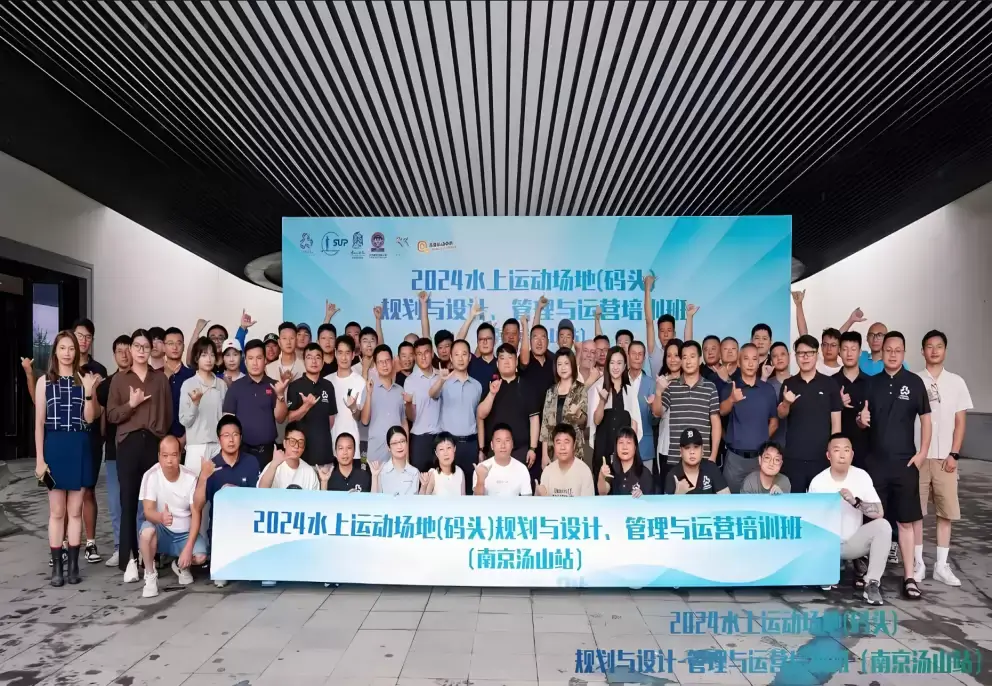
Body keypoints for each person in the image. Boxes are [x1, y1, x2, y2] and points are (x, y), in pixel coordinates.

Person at [859, 331, 931, 600]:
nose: (892, 354)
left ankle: (909, 576)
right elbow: (862, 420)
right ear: (882, 352)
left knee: (906, 521)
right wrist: (860, 421)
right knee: (874, 519)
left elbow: (926, 419)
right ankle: (872, 576)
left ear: (904, 353)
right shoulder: (871, 383)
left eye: (897, 350)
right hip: (876, 464)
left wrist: (922, 453)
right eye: (888, 349)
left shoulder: (914, 383)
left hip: (905, 463)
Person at [34, 331, 101, 585]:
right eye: (62, 348)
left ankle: (73, 567)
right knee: (57, 511)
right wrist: (40, 459)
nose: (67, 353)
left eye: (71, 348)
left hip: (79, 445)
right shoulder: (44, 382)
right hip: (54, 447)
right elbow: (39, 424)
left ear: (76, 351)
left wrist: (89, 392)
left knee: (75, 511)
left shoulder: (84, 379)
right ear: (55, 351)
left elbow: (90, 418)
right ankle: (57, 568)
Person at [107, 329, 173, 581]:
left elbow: (167, 414)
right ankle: (129, 560)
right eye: (137, 346)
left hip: (153, 442)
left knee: (153, 502)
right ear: (130, 349)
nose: (142, 350)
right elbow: (112, 415)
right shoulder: (119, 379)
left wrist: (159, 436)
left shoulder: (160, 379)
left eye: (146, 346)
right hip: (128, 443)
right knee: (128, 502)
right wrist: (131, 405)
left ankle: (152, 557)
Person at [914, 330, 972, 586]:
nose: (934, 350)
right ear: (922, 351)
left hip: (946, 458)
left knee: (945, 512)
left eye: (939, 346)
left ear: (945, 350)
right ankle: (917, 563)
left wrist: (954, 453)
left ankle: (941, 565)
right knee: (915, 512)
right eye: (929, 346)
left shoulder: (957, 382)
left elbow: (960, 422)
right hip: (919, 457)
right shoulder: (914, 381)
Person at [808, 434, 889, 605]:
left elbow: (879, 512)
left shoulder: (862, 476)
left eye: (846, 450)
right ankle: (826, 568)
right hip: (827, 545)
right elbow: (810, 520)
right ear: (828, 455)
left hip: (852, 542)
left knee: (883, 526)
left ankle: (872, 583)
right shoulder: (818, 482)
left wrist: (855, 502)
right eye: (837, 450)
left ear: (852, 455)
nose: (842, 455)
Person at [138, 436, 208, 598]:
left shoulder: (191, 478)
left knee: (201, 557)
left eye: (174, 455)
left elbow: (196, 514)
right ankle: (150, 575)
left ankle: (180, 565)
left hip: (184, 533)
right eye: (165, 455)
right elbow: (147, 511)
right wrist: (160, 518)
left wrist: (188, 548)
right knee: (146, 532)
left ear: (180, 455)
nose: (169, 460)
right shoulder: (151, 475)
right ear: (159, 456)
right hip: (161, 530)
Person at [195, 415, 260, 588]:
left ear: (241, 437)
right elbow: (198, 505)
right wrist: (203, 477)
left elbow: (258, 498)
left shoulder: (251, 462)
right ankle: (224, 565)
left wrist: (235, 493)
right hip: (221, 530)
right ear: (219, 440)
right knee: (222, 575)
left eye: (235, 435)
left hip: (246, 525)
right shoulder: (211, 466)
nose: (231, 440)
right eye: (226, 435)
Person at [776, 335, 842, 494]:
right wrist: (786, 403)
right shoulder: (788, 384)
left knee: (821, 504)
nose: (805, 357)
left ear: (816, 355)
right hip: (794, 457)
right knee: (795, 504)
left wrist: (834, 453)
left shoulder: (830, 384)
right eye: (800, 353)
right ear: (795, 356)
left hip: (821, 457)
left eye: (809, 353)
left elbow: (836, 424)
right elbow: (781, 415)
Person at [719, 343, 779, 492]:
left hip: (759, 459)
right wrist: (732, 399)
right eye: (746, 359)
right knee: (731, 501)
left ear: (759, 362)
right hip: (735, 459)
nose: (751, 363)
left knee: (759, 501)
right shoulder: (730, 388)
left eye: (754, 359)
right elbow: (720, 412)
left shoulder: (768, 390)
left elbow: (774, 422)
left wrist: (760, 440)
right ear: (739, 363)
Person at [654, 341, 722, 472]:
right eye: (684, 357)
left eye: (692, 356)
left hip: (702, 458)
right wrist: (658, 392)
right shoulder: (671, 386)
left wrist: (713, 456)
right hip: (676, 458)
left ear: (700, 359)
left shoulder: (710, 387)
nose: (688, 361)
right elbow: (658, 412)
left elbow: (716, 423)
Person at [223, 340, 289, 470]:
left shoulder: (274, 385)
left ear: (265, 360)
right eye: (250, 358)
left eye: (259, 358)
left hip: (268, 451)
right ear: (245, 361)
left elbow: (280, 418)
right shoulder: (235, 387)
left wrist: (280, 395)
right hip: (242, 451)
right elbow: (228, 421)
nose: (255, 363)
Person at [477, 343, 541, 476]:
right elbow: (481, 415)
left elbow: (534, 419)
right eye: (502, 358)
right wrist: (492, 394)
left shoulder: (527, 385)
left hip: (521, 451)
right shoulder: (490, 385)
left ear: (516, 362)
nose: (506, 362)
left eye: (510, 358)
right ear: (497, 363)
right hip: (494, 452)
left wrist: (533, 448)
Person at [97, 334, 132, 568]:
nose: (124, 354)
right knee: (115, 502)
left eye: (128, 350)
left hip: (137, 449)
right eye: (119, 351)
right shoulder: (105, 385)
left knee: (138, 502)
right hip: (113, 451)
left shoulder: (141, 379)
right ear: (114, 355)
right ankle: (120, 548)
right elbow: (101, 417)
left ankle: (139, 548)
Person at [433, 339, 483, 489]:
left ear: (470, 357)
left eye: (464, 354)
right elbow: (432, 394)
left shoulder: (477, 386)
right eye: (456, 354)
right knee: (448, 487)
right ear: (451, 357)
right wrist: (441, 381)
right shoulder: (443, 382)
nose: (460, 358)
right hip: (448, 445)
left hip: (470, 444)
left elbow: (479, 417)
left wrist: (481, 449)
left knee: (469, 487)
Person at [590, 347, 641, 480]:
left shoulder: (629, 390)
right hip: (603, 451)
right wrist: (602, 401)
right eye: (612, 363)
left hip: (623, 455)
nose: (615, 367)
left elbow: (634, 424)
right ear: (607, 365)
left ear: (624, 366)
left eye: (619, 363)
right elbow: (596, 421)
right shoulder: (598, 386)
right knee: (602, 487)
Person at [179, 337, 228, 477]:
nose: (209, 359)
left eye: (212, 355)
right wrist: (195, 404)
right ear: (196, 358)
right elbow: (184, 420)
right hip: (196, 446)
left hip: (219, 445)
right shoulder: (188, 384)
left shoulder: (221, 385)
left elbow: (225, 417)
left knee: (218, 486)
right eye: (204, 355)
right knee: (195, 487)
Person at [285, 343, 337, 466]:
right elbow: (290, 418)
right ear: (304, 361)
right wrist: (306, 406)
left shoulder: (328, 386)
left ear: (323, 362)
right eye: (309, 357)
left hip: (325, 454)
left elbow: (331, 420)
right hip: (303, 456)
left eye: (318, 357)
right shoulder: (295, 386)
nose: (314, 361)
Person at [792, 290, 866, 375]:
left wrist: (851, 320)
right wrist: (799, 305)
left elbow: (839, 337)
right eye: (825, 344)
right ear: (821, 347)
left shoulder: (844, 367)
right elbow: (804, 336)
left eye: (833, 345)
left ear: (839, 348)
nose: (829, 349)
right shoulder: (815, 363)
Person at [539, 349, 588, 468]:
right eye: (559, 364)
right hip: (553, 450)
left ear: (572, 365)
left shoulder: (580, 389)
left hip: (574, 450)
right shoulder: (551, 391)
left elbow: (583, 423)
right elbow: (545, 424)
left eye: (566, 363)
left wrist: (578, 413)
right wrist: (544, 454)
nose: (563, 367)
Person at [362, 345, 408, 464]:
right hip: (376, 451)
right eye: (380, 362)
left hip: (397, 451)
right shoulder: (368, 389)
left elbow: (403, 422)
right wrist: (369, 394)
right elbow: (365, 421)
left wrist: (407, 455)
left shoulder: (400, 390)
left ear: (392, 362)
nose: (384, 365)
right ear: (375, 365)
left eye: (387, 361)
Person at [834, 331, 871, 469]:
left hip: (866, 453)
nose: (849, 353)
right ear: (839, 352)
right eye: (845, 349)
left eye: (853, 349)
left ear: (860, 352)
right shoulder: (830, 383)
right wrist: (837, 404)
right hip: (837, 452)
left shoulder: (871, 383)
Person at [326, 336, 367, 460]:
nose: (344, 358)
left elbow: (361, 418)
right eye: (340, 353)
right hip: (329, 444)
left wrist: (354, 408)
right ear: (335, 353)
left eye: (347, 353)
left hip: (353, 445)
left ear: (353, 355)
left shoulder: (360, 382)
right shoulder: (326, 381)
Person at [405, 338, 442, 471]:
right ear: (415, 357)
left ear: (432, 354)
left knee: (441, 479)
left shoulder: (441, 377)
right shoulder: (410, 381)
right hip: (419, 439)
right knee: (420, 479)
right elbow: (411, 417)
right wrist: (408, 403)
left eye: (426, 352)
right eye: (419, 354)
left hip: (440, 437)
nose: (423, 357)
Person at [665, 428, 730, 495]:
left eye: (696, 447)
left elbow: (726, 498)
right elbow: (666, 502)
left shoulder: (711, 468)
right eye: (687, 448)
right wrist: (678, 495)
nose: (692, 452)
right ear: (681, 451)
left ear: (702, 450)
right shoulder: (673, 475)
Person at [473, 424, 533, 496]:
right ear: (492, 445)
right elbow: (476, 500)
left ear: (512, 444)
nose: (503, 445)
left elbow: (527, 500)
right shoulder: (481, 468)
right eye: (498, 441)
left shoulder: (522, 469)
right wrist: (480, 480)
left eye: (507, 440)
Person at [536, 424, 594, 497]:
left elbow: (588, 503)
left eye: (566, 442)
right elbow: (542, 502)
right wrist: (539, 495)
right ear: (554, 445)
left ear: (574, 445)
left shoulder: (584, 471)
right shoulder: (547, 471)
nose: (562, 447)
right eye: (558, 443)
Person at [654, 339, 683, 485]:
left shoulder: (692, 380)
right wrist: (659, 392)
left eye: (676, 355)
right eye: (669, 355)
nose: (672, 359)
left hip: (688, 448)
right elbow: (657, 413)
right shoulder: (662, 381)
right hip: (666, 447)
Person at [257, 423, 320, 490]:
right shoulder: (273, 466)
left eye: (300, 443)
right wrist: (273, 465)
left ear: (304, 447)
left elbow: (315, 496)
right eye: (292, 441)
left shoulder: (310, 472)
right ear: (284, 443)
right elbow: (261, 490)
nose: (296, 446)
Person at [163, 327, 195, 447]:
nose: (175, 347)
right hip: (160, 439)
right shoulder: (155, 375)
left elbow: (198, 408)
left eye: (179, 343)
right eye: (170, 343)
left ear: (183, 346)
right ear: (164, 347)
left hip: (187, 439)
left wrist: (185, 438)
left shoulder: (192, 375)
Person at [597, 428, 652, 496]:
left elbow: (650, 500)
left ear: (635, 447)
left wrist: (642, 496)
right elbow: (602, 493)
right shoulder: (611, 470)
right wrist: (601, 476)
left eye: (628, 443)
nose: (624, 447)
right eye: (621, 442)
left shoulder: (644, 473)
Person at [377, 425, 419, 495]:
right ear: (388, 447)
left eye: (402, 441)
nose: (399, 446)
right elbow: (376, 498)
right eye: (394, 443)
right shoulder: (381, 471)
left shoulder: (415, 473)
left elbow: (415, 499)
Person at [767, 341, 791, 447]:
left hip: (796, 443)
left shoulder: (799, 383)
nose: (779, 358)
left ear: (789, 356)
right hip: (772, 445)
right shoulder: (766, 385)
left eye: (782, 354)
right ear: (771, 361)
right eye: (775, 356)